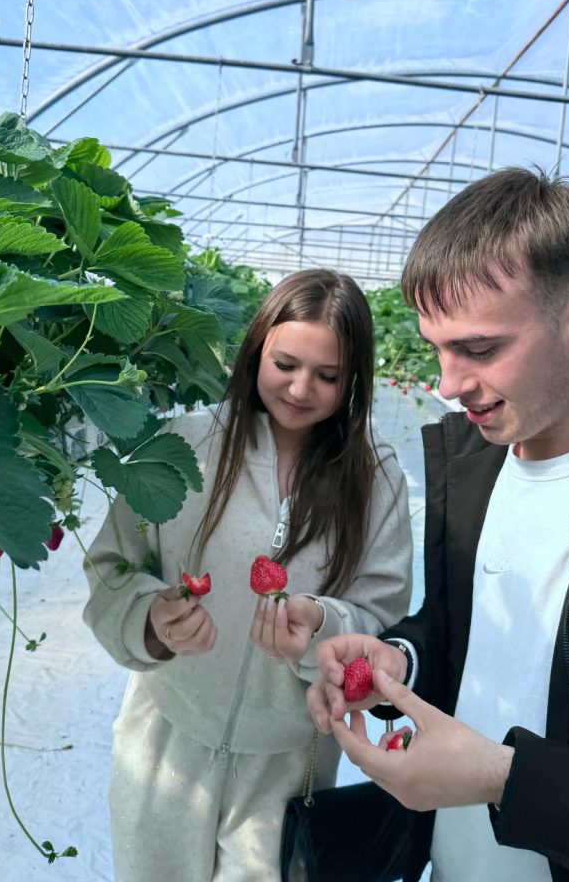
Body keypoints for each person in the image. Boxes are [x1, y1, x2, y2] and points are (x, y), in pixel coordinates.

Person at [307, 167, 569, 882]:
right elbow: (469, 632)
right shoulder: (475, 463)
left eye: (480, 350)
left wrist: (505, 779)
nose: (448, 384)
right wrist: (402, 658)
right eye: (436, 347)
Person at [83, 268, 413, 882]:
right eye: (285, 363)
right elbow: (113, 565)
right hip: (166, 741)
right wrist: (151, 618)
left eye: (329, 376)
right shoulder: (184, 445)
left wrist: (322, 626)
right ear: (256, 349)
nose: (300, 388)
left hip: (290, 762)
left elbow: (383, 614)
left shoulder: (375, 479)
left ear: (355, 379)